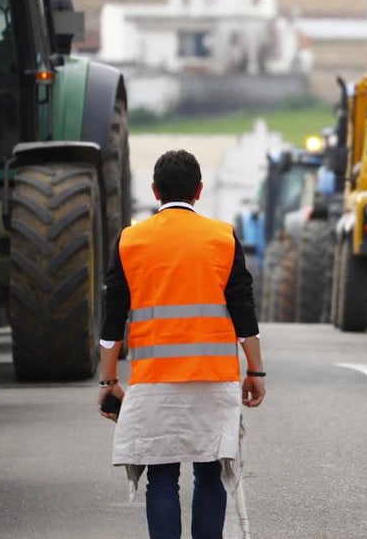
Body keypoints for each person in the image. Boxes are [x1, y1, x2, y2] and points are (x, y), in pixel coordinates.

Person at [97, 149, 265, 539]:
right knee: (209, 474)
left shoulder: (130, 240)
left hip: (154, 380)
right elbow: (243, 312)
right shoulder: (222, 237)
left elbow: (112, 320)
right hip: (213, 379)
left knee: (161, 478)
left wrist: (108, 382)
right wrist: (255, 370)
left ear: (154, 191)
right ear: (200, 191)